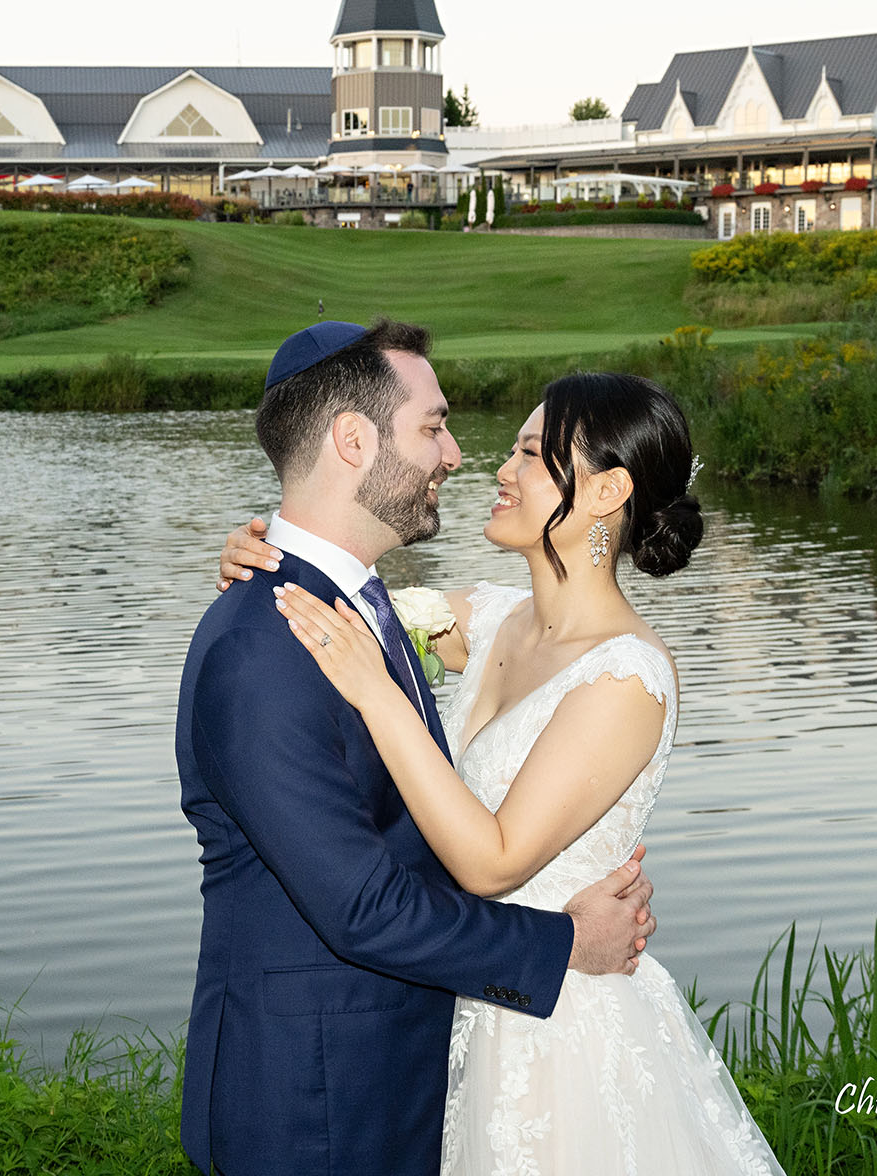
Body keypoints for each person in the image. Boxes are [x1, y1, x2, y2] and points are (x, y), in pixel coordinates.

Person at [219, 370, 786, 1175]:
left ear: (608, 491)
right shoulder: (483, 620)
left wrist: (375, 691)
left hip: (563, 1034)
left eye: (530, 454)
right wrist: (260, 549)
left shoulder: (626, 678)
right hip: (469, 1003)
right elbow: (344, 593)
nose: (500, 470)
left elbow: (491, 860)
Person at [176, 321, 658, 1176]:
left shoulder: (367, 613)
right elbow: (361, 905)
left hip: (417, 1069)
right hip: (313, 1106)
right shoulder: (266, 645)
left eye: (525, 452)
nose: (462, 457)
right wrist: (562, 945)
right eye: (434, 427)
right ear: (354, 440)